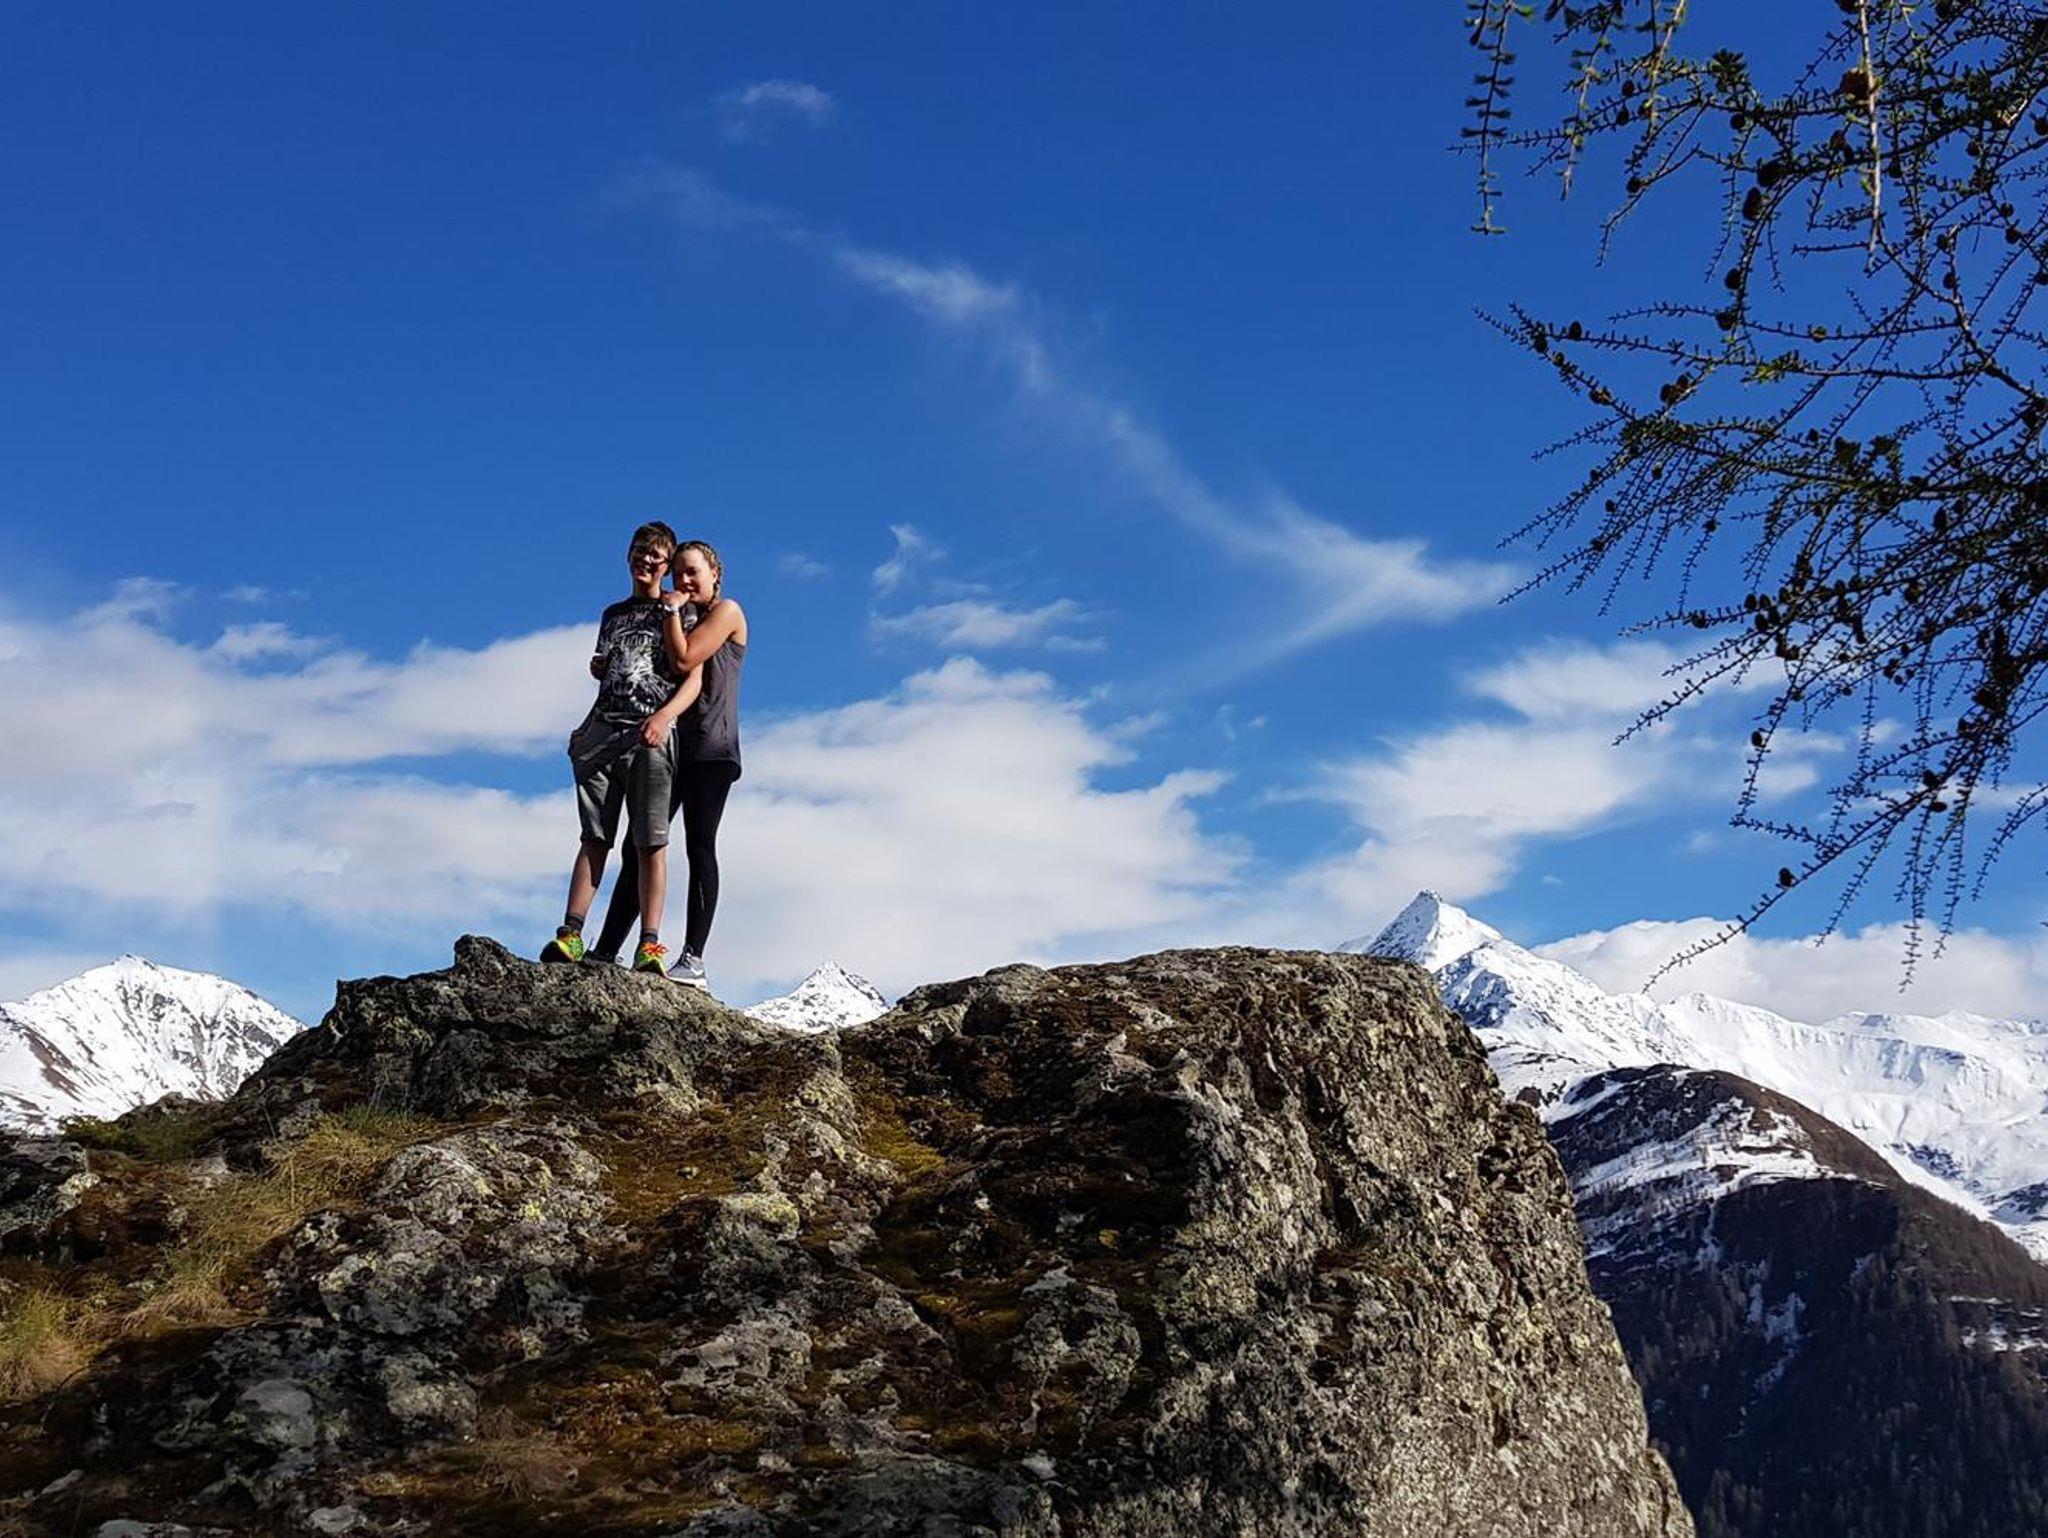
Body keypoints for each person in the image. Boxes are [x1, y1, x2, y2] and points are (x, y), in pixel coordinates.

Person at [541, 522, 699, 976]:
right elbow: (608, 676)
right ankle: (571, 933)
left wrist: (664, 718)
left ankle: (650, 943)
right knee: (594, 837)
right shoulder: (612, 615)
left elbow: (690, 672)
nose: (646, 560)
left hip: (649, 735)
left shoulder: (681, 609)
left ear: (666, 565)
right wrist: (585, 728)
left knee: (650, 842)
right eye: (639, 551)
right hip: (604, 733)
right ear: (628, 556)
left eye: (656, 555)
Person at [589, 539, 745, 991]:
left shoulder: (727, 612)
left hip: (712, 751)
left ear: (715, 573)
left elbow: (684, 659)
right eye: (678, 573)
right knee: (641, 845)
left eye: (694, 571)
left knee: (699, 845)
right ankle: (606, 949)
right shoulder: (679, 615)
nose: (685, 580)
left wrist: (672, 610)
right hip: (671, 748)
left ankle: (693, 959)